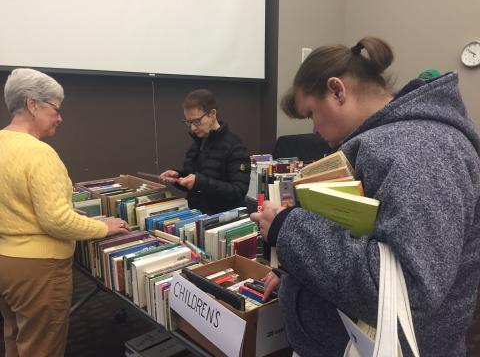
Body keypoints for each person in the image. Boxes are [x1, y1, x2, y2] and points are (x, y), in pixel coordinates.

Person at [251, 37, 480, 357]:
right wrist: (293, 270)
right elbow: (362, 228)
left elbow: (408, 291)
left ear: (337, 90)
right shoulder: (385, 144)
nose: (314, 128)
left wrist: (289, 229)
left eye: (312, 114)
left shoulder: (421, 150)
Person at [0, 68, 130, 357]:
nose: (60, 117)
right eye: (56, 108)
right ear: (33, 105)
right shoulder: (39, 153)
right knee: (41, 348)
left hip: (6, 262)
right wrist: (104, 227)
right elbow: (57, 221)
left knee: (15, 337)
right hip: (38, 271)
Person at [159, 89, 251, 215]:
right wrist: (178, 177)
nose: (192, 127)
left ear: (212, 114)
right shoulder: (196, 144)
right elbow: (195, 181)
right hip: (197, 216)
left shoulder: (235, 147)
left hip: (222, 219)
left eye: (196, 121)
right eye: (189, 122)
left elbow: (238, 192)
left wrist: (199, 182)